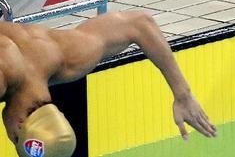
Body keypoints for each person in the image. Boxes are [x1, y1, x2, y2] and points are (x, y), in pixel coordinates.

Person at [0, 11, 216, 157]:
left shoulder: (68, 57)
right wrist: (182, 94)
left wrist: (183, 94)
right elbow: (138, 23)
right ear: (17, 130)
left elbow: (139, 24)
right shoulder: (65, 59)